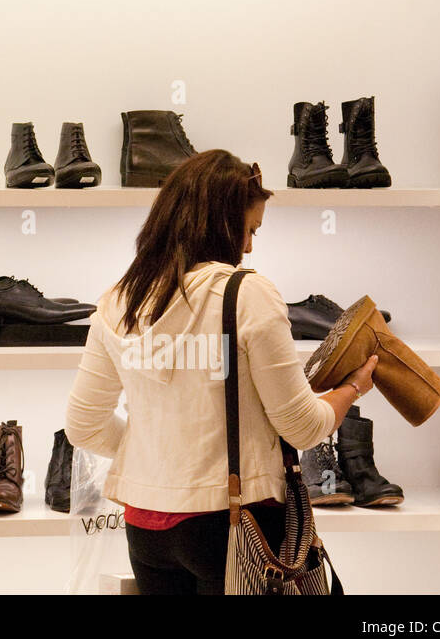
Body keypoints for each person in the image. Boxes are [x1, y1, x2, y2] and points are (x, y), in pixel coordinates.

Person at [65, 149, 377, 595]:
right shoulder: (247, 294)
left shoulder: (119, 301)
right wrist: (351, 388)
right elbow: (303, 427)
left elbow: (83, 425)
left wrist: (162, 453)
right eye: (249, 229)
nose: (249, 246)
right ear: (222, 223)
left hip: (146, 528)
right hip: (233, 522)